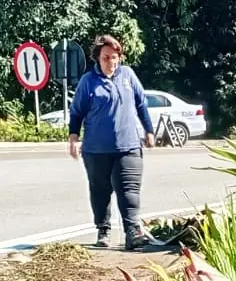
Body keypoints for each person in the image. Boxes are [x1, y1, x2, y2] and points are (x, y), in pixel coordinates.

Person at [66, 34, 167, 251]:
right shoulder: (88, 82)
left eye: (114, 57)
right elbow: (77, 112)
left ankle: (132, 233)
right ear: (97, 58)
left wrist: (149, 130)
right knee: (100, 190)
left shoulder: (128, 76)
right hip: (96, 149)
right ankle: (103, 229)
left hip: (128, 145)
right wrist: (73, 137)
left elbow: (141, 104)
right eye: (105, 58)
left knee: (129, 190)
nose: (110, 62)